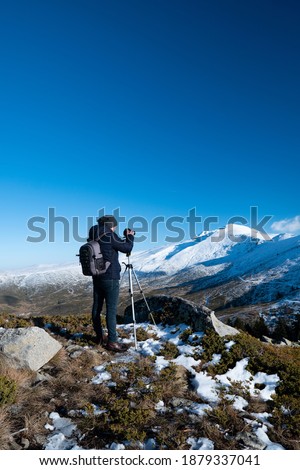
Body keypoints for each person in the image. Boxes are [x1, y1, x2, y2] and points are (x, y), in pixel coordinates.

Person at [89, 215, 134, 352]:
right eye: (114, 226)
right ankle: (112, 342)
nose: (115, 228)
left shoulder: (93, 233)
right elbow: (126, 248)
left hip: (97, 275)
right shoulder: (110, 234)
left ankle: (99, 337)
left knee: (97, 308)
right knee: (111, 309)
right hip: (110, 277)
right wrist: (130, 236)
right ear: (111, 225)